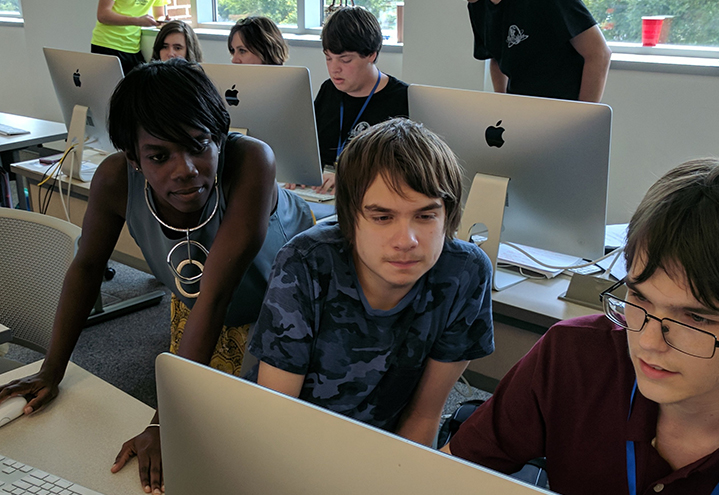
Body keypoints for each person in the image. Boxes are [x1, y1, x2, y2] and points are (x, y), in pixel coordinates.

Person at [445, 149, 719, 493]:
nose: (649, 343)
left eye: (696, 319)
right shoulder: (572, 358)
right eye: (639, 298)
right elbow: (444, 475)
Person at [0, 59, 314, 494]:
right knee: (208, 439)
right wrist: (51, 371)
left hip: (284, 314)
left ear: (220, 138)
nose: (184, 168)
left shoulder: (251, 161)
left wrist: (161, 423)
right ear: (132, 159)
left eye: (198, 144)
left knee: (272, 449)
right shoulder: (114, 178)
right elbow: (88, 266)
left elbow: (216, 295)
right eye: (158, 156)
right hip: (202, 308)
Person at [249, 118, 495, 446]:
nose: (406, 240)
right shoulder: (305, 263)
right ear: (350, 219)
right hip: (294, 440)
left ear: (447, 216)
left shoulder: (465, 272)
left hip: (382, 448)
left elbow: (423, 416)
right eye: (382, 217)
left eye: (425, 216)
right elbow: (275, 423)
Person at [309, 6, 409, 195]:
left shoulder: (402, 99)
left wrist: (347, 178)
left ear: (372, 54)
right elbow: (310, 149)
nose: (334, 69)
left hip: (368, 197)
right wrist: (300, 175)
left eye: (345, 60)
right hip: (321, 193)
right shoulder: (328, 90)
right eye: (328, 58)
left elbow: (402, 171)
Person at [467, 0, 611, 102]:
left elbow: (600, 53)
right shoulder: (478, 6)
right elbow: (495, 56)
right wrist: (502, 104)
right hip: (523, 109)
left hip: (562, 107)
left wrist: (583, 117)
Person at [91, 0, 169, 75]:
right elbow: (103, 15)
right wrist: (138, 21)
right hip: (107, 44)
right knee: (109, 87)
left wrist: (164, 21)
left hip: (133, 47)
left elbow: (159, 15)